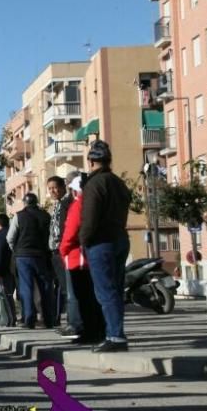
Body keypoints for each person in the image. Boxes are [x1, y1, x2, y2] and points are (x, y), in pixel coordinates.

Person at [80, 140, 131, 353]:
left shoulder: (94, 184)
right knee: (116, 290)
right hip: (120, 237)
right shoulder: (119, 183)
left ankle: (115, 336)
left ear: (91, 161)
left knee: (105, 291)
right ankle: (117, 332)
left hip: (101, 242)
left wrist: (84, 240)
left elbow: (90, 219)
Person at [59, 173, 105, 344]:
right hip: (91, 256)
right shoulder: (96, 204)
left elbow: (70, 231)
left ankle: (89, 331)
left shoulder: (78, 205)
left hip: (77, 257)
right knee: (93, 297)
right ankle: (98, 330)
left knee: (82, 297)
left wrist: (62, 250)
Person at [7, 192, 55, 329]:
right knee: (45, 286)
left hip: (23, 256)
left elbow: (10, 238)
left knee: (26, 287)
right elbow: (51, 235)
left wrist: (15, 250)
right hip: (42, 255)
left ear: (24, 203)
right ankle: (49, 319)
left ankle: (29, 319)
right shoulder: (46, 216)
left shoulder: (19, 216)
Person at [48, 174, 83, 338]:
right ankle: (71, 321)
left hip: (65, 250)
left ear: (63, 187)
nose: (53, 191)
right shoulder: (56, 205)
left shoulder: (68, 203)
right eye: (50, 189)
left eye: (55, 187)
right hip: (56, 251)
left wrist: (63, 248)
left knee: (71, 290)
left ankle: (74, 323)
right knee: (64, 288)